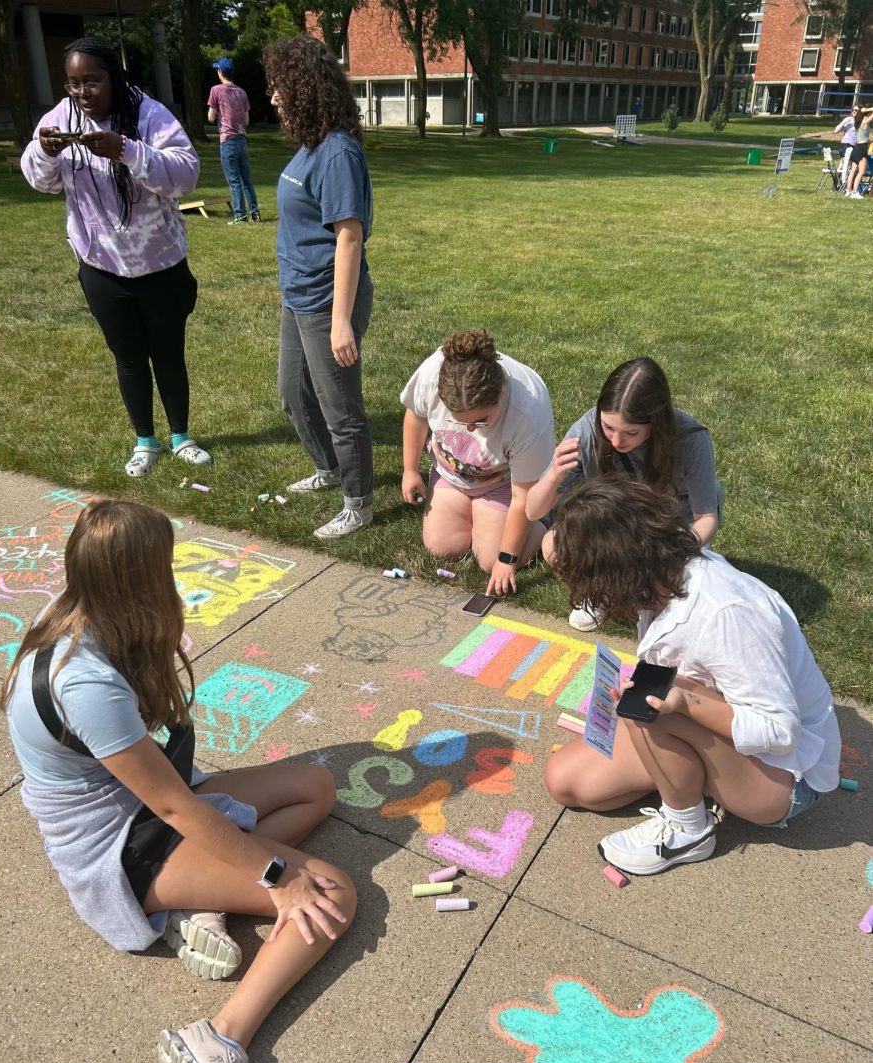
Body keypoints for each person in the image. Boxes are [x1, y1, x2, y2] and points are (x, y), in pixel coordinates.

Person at [1, 499, 356, 1063]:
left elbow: (164, 788)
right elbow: (175, 811)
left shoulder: (78, 612)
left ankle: (200, 902)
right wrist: (275, 877)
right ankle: (219, 1040)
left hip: (137, 806)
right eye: (163, 566)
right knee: (330, 892)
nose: (174, 576)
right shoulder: (85, 682)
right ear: (136, 581)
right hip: (118, 849)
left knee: (316, 786)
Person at [545, 477, 841, 876]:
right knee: (567, 781)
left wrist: (684, 703)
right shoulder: (661, 580)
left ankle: (688, 832)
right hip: (723, 736)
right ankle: (686, 774)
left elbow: (779, 730)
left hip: (787, 777)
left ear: (615, 567)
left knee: (647, 705)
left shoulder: (727, 611)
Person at [21, 38, 212, 479]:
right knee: (127, 355)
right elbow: (41, 182)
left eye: (93, 81)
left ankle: (181, 435)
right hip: (101, 265)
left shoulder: (149, 115)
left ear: (114, 78)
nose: (83, 93)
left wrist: (126, 149)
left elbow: (185, 174)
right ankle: (146, 439)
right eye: (73, 84)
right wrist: (46, 151)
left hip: (160, 262)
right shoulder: (60, 118)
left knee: (168, 353)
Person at [263, 36, 374, 540]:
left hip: (328, 300)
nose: (273, 98)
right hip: (297, 296)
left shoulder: (337, 154)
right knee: (292, 394)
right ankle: (329, 469)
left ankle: (359, 503)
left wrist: (340, 321)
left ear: (304, 88)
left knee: (341, 409)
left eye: (279, 88)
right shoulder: (311, 146)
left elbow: (348, 238)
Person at [525, 356, 720, 630]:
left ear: (656, 423)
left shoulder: (690, 439)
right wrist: (554, 474)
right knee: (553, 544)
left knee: (671, 605)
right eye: (608, 428)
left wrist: (675, 553)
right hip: (615, 524)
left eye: (631, 432)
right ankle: (601, 594)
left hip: (670, 528)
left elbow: (706, 518)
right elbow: (533, 511)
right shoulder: (586, 432)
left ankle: (647, 595)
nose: (616, 441)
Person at [401, 330, 555, 596]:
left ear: (501, 393)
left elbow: (522, 497)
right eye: (459, 420)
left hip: (503, 481)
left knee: (489, 559)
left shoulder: (528, 411)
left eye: (481, 420)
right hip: (452, 472)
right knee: (441, 547)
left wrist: (507, 560)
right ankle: (475, 512)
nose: (470, 429)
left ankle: (542, 523)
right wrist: (410, 470)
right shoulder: (433, 375)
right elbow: (416, 416)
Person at [207, 56, 260, 225]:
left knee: (234, 180)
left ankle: (240, 215)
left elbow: (210, 117)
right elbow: (246, 121)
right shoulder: (242, 92)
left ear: (221, 72)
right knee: (247, 179)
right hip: (241, 139)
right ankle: (255, 212)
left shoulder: (216, 90)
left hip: (227, 140)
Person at [844, 107, 873, 197]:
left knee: (853, 171)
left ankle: (848, 190)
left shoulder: (857, 121)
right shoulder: (865, 121)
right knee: (861, 171)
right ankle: (855, 191)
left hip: (857, 146)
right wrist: (867, 109)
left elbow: (864, 137)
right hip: (862, 148)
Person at [834, 105, 858, 186]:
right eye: (853, 110)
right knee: (844, 164)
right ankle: (838, 184)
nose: (854, 111)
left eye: (856, 110)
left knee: (844, 165)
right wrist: (844, 122)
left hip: (854, 146)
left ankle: (838, 184)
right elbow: (836, 131)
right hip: (846, 145)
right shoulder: (849, 120)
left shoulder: (860, 121)